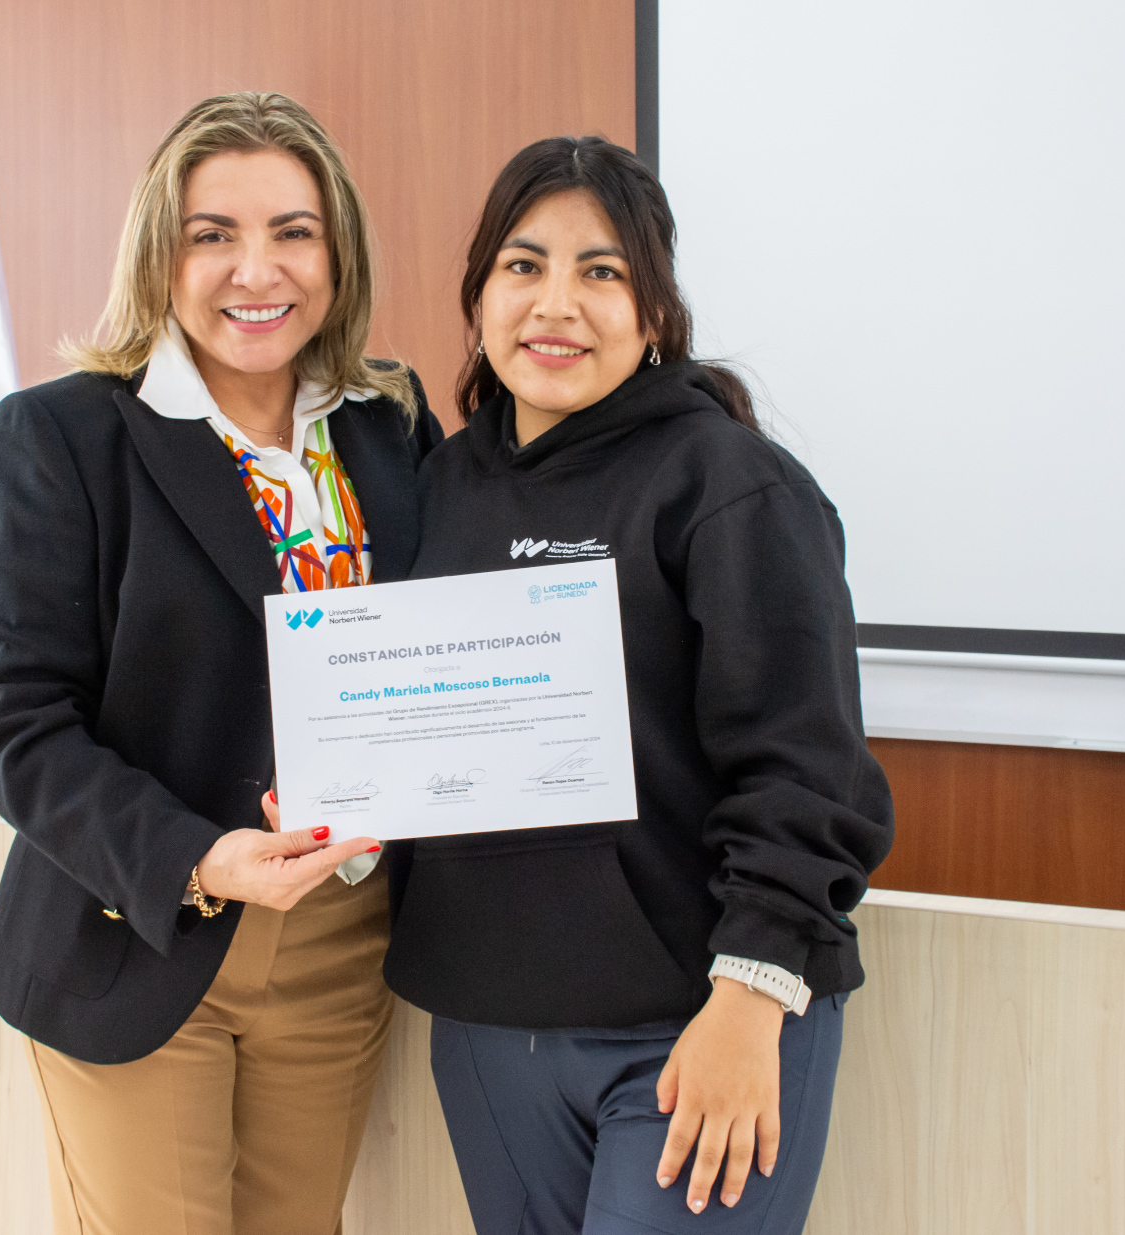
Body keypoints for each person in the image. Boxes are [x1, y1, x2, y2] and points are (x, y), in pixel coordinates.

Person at [381, 136, 894, 1234]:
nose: (554, 302)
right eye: (521, 266)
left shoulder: (728, 483)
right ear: (477, 297)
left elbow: (807, 769)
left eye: (599, 271)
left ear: (654, 313)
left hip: (690, 1027)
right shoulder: (436, 489)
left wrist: (749, 996)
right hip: (485, 1029)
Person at [0, 92, 443, 1235]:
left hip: (340, 943)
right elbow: (13, 719)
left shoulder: (392, 426)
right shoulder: (63, 435)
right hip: (143, 928)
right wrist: (197, 856)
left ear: (337, 253)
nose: (253, 269)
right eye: (210, 232)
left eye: (292, 231)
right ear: (158, 256)